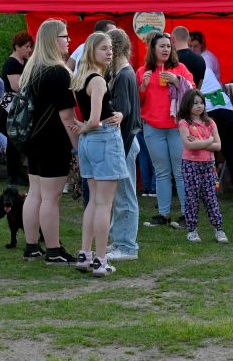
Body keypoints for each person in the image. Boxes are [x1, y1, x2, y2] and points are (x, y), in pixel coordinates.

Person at [19, 19, 80, 265]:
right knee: (51, 197)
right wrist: (78, 145)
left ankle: (32, 246)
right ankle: (53, 250)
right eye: (65, 36)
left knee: (35, 193)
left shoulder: (32, 69)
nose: (68, 41)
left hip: (34, 139)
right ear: (54, 40)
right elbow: (67, 116)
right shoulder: (58, 73)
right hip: (54, 140)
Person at [71, 32, 126, 275]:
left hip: (89, 143)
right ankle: (101, 260)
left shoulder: (80, 78)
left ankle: (85, 254)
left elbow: (98, 114)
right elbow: (94, 120)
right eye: (103, 48)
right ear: (91, 51)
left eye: (110, 48)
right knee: (104, 203)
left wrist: (117, 114)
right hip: (102, 139)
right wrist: (84, 127)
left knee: (94, 200)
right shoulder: (98, 81)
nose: (109, 52)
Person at [140, 32, 192, 228]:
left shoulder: (180, 68)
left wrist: (177, 80)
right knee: (161, 172)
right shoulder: (143, 71)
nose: (165, 49)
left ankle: (187, 214)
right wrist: (143, 86)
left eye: (168, 46)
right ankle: (163, 214)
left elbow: (193, 93)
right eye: (161, 46)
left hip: (177, 127)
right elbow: (138, 102)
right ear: (153, 49)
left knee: (180, 171)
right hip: (153, 128)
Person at [105, 28, 142, 261]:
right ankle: (119, 241)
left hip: (126, 142)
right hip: (128, 141)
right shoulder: (124, 74)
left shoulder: (123, 76)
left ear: (115, 48)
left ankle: (127, 247)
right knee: (120, 197)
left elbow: (123, 112)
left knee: (125, 198)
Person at [176, 89, 228, 244]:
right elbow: (189, 145)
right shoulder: (184, 123)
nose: (199, 106)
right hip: (190, 165)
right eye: (195, 103)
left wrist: (199, 143)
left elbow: (218, 146)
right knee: (192, 198)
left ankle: (219, 229)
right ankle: (192, 230)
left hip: (208, 165)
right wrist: (208, 141)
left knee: (211, 198)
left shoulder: (210, 122)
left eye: (201, 103)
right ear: (187, 105)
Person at [198, 66, 233, 199]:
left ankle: (210, 186)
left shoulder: (191, 68)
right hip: (225, 106)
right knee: (230, 149)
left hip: (209, 109)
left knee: (208, 150)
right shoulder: (207, 68)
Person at [0, 30, 33, 185]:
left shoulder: (25, 61)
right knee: (13, 141)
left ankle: (17, 173)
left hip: (19, 105)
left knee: (17, 141)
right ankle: (13, 175)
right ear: (17, 46)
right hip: (11, 105)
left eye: (30, 47)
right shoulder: (11, 63)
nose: (29, 50)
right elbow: (16, 86)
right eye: (26, 47)